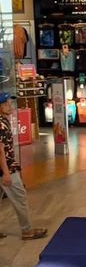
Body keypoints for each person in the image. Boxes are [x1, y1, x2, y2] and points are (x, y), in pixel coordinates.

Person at [0, 92, 47, 240]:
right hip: (6, 168)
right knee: (20, 197)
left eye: (10, 103)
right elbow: (0, 150)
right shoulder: (1, 124)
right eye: (6, 103)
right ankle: (27, 231)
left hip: (5, 167)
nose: (10, 106)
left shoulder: (4, 121)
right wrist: (6, 172)